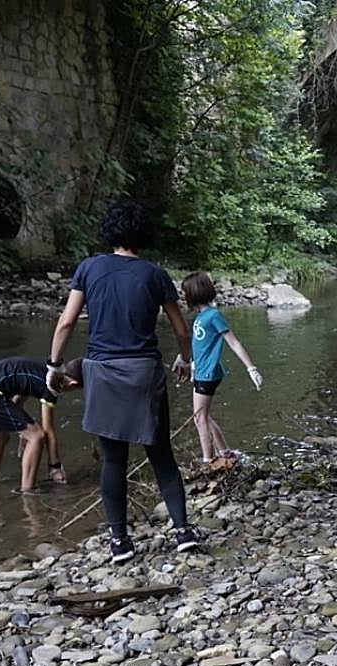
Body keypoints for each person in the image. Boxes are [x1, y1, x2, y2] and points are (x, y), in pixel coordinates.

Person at [47, 199, 201, 562]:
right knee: (161, 455)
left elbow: (66, 323)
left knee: (113, 460)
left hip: (102, 373)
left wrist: (54, 365)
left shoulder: (89, 268)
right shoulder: (155, 274)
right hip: (144, 372)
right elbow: (181, 330)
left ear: (110, 232)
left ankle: (119, 542)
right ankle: (182, 532)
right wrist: (185, 358)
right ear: (143, 234)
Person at [181, 271, 264, 466]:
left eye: (185, 292)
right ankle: (225, 452)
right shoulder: (202, 316)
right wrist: (190, 363)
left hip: (207, 374)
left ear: (193, 294)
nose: (183, 296)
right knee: (203, 415)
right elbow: (200, 344)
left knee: (199, 418)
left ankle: (208, 460)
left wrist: (251, 368)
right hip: (202, 371)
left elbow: (233, 342)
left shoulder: (213, 316)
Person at [0, 356, 82, 491]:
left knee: (0, 438)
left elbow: (19, 392)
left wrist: (22, 432)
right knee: (37, 436)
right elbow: (48, 429)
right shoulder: (52, 386)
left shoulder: (47, 371)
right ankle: (27, 491)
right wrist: (55, 466)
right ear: (73, 384)